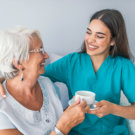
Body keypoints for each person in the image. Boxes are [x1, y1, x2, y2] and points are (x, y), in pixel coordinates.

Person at [1, 9, 135, 135]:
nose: (90, 40)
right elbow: (32, 73)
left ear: (113, 40)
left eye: (99, 36)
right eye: (88, 32)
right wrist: (2, 79)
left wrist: (114, 109)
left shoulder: (124, 66)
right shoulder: (72, 62)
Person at [0, 27, 90, 135]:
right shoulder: (3, 108)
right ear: (19, 62)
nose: (46, 56)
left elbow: (55, 120)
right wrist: (63, 127)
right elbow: (61, 125)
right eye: (41, 51)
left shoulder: (47, 84)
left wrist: (72, 111)